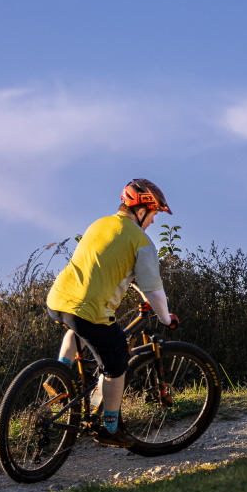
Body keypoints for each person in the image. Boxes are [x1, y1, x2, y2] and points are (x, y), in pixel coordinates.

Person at [45, 178, 179, 448]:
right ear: (141, 210)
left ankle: (59, 377)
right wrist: (166, 317)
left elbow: (111, 269)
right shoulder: (140, 241)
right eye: (152, 215)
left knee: (77, 329)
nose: (152, 222)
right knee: (117, 364)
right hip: (91, 311)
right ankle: (110, 427)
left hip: (58, 298)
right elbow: (153, 289)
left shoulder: (99, 224)